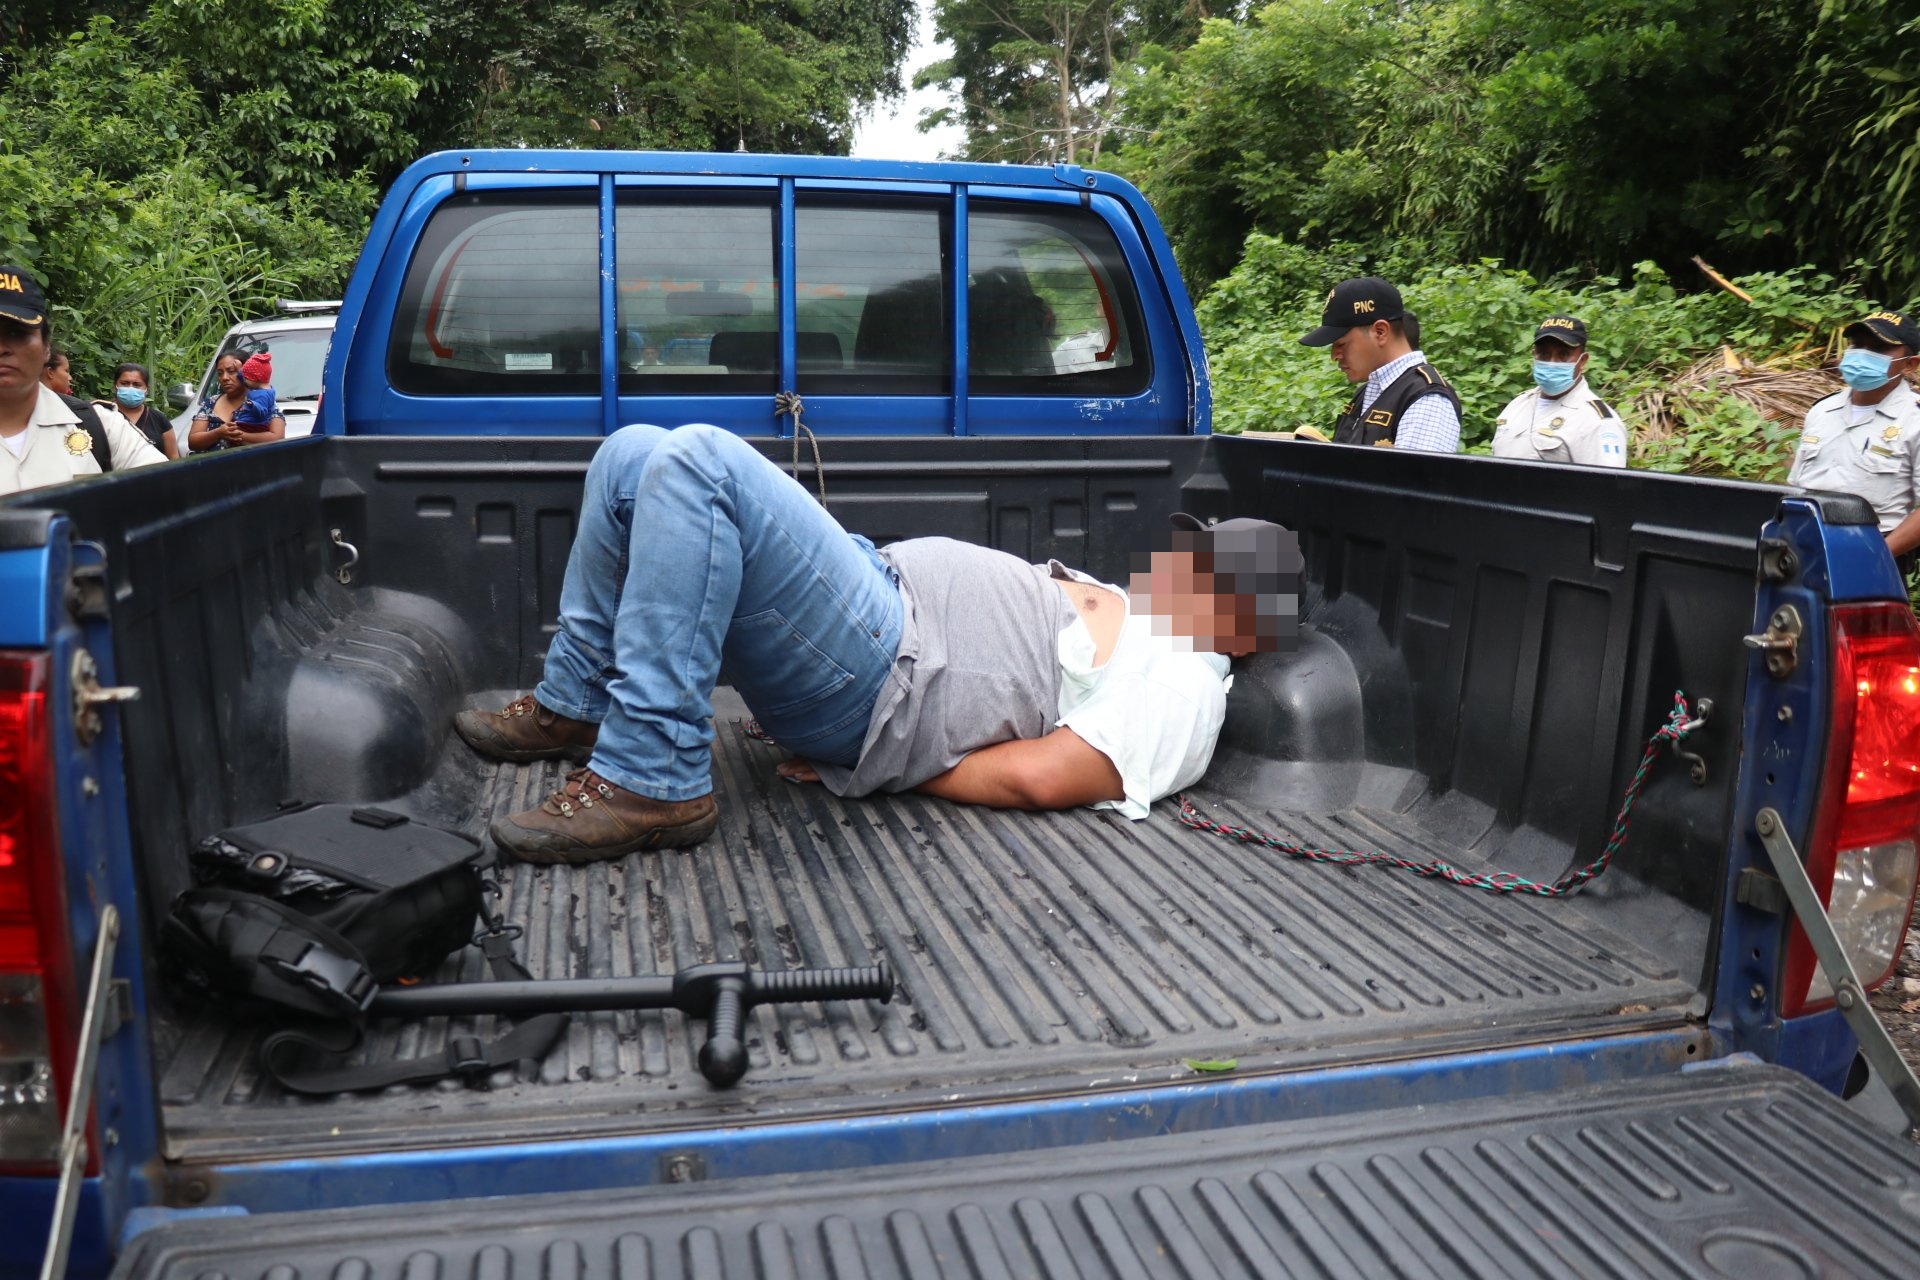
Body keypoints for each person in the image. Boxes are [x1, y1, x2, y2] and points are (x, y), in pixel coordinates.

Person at [452, 423, 1294, 865]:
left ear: (1243, 625)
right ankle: (574, 704)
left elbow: (1047, 776)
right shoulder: (1134, 611)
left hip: (886, 674)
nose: (1181, 561)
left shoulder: (1188, 684)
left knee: (702, 461)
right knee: (632, 455)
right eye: (1193, 550)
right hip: (874, 602)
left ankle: (653, 781)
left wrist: (884, 763)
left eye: (1207, 567)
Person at [0, 266, 165, 494]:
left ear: (46, 347)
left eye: (17, 333)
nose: (2, 349)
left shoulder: (101, 427)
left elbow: (174, 498)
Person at [1788, 308, 1920, 558]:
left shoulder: (1914, 420)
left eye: (1878, 348)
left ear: (1910, 364)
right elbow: (1794, 488)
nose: (1862, 354)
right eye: (1857, 344)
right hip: (1802, 549)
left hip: (1872, 552)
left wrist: (1877, 555)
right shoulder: (1822, 411)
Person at [1299, 277, 1461, 451]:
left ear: (1380, 332)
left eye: (1341, 344)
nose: (1334, 356)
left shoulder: (1427, 400)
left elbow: (1415, 477)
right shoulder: (1368, 392)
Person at [1490, 315, 1628, 467]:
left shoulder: (1597, 422)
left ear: (1582, 361)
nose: (1552, 362)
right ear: (1534, 355)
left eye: (1563, 355)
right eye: (1544, 354)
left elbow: (1606, 486)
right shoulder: (1518, 405)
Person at [188, 351, 283, 450]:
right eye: (220, 373)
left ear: (247, 373)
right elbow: (193, 442)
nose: (224, 378)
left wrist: (239, 435)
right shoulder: (210, 403)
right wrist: (218, 433)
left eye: (231, 371)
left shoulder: (261, 401)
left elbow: (278, 438)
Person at [107, 362, 181, 460]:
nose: (130, 388)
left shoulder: (159, 420)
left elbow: (173, 460)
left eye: (137, 385)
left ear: (147, 389)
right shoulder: (102, 415)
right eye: (124, 383)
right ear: (115, 386)